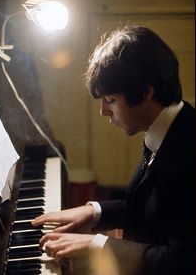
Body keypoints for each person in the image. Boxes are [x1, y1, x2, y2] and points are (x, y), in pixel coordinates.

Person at [31, 26, 195, 275]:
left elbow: (182, 262)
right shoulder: (169, 127)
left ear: (146, 92)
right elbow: (149, 209)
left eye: (110, 100)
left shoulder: (189, 154)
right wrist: (92, 212)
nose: (103, 111)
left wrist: (96, 244)